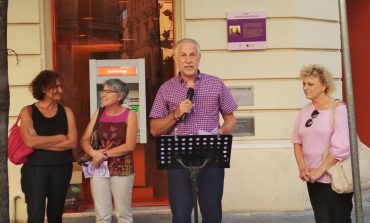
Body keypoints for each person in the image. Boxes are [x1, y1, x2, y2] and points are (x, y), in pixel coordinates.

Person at [149, 38, 238, 223]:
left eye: (192, 55)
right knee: (181, 215)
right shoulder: (166, 89)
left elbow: (231, 120)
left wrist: (222, 131)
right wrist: (176, 113)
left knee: (212, 213)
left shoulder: (216, 84)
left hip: (211, 155)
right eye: (183, 55)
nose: (188, 60)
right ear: (176, 59)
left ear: (199, 58)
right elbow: (154, 130)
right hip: (178, 158)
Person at [291, 64, 353, 223]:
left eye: (310, 84)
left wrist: (319, 171)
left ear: (324, 86)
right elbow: (297, 143)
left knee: (339, 219)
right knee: (321, 219)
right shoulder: (304, 111)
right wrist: (303, 168)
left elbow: (341, 148)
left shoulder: (338, 109)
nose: (305, 88)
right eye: (303, 84)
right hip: (313, 178)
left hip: (336, 178)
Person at [19, 70, 77, 223]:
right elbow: (30, 142)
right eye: (56, 87)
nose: (61, 90)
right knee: (35, 214)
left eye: (60, 86)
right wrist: (59, 138)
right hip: (35, 169)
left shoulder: (67, 111)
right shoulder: (27, 112)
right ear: (44, 88)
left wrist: (41, 143)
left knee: (56, 214)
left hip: (61, 168)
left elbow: (72, 142)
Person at [80, 78, 137, 223]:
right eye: (102, 91)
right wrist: (93, 153)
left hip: (122, 168)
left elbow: (130, 145)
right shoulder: (99, 112)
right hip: (98, 167)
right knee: (102, 216)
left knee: (123, 215)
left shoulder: (130, 115)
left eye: (107, 92)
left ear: (119, 96)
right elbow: (84, 140)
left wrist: (102, 154)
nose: (103, 95)